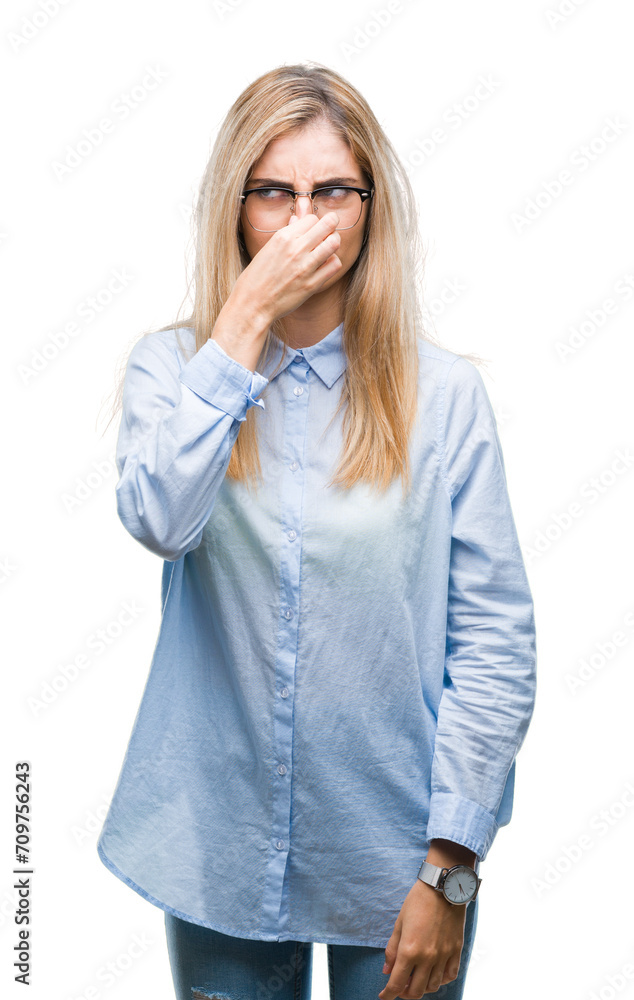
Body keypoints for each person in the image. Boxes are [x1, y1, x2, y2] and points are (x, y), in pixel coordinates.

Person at [97, 62, 537, 1000]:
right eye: (274, 193)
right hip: (216, 851)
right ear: (235, 207)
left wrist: (448, 870)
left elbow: (494, 643)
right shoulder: (173, 370)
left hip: (399, 857)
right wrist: (246, 317)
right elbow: (160, 524)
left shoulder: (446, 397)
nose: (305, 219)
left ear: (372, 206)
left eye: (333, 190)